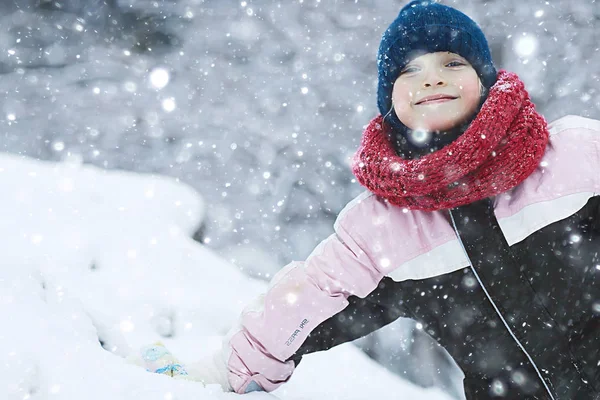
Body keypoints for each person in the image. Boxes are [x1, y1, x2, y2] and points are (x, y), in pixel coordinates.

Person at [147, 2, 600, 399]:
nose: (432, 79)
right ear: (389, 99)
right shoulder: (383, 229)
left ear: (485, 78)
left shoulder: (575, 157)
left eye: (452, 62)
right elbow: (308, 300)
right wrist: (215, 377)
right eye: (409, 70)